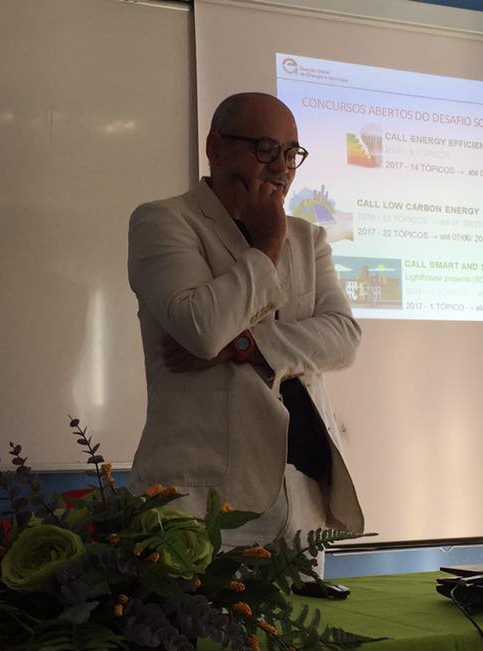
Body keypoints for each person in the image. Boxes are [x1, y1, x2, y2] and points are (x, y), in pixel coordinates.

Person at [127, 92, 364, 552]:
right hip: (202, 497)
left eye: (291, 154)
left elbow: (343, 339)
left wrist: (243, 346)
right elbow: (202, 330)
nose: (281, 168)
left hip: (302, 494)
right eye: (265, 149)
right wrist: (268, 245)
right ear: (215, 147)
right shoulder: (163, 221)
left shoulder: (309, 239)